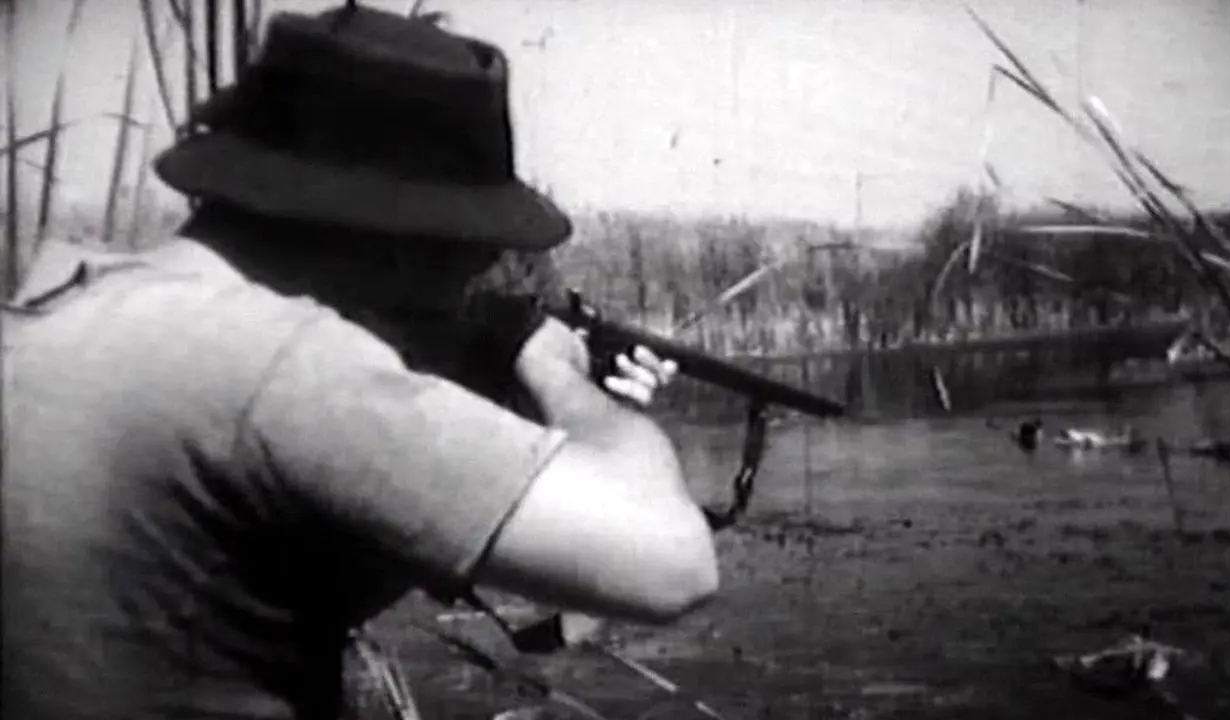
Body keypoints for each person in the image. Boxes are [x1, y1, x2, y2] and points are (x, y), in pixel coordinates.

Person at [1, 5, 719, 720]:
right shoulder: (285, 363)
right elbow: (673, 566)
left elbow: (264, 592)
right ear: (400, 237)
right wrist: (556, 373)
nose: (470, 283)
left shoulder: (55, 309)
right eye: (471, 255)